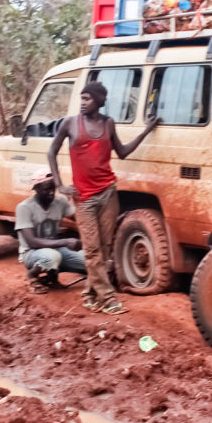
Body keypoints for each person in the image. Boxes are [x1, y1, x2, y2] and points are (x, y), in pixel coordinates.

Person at [48, 81, 159, 315]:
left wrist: (147, 130)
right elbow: (52, 151)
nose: (83, 103)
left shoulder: (108, 124)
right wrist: (60, 185)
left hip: (108, 192)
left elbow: (123, 152)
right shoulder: (70, 124)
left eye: (87, 98)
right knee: (92, 250)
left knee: (105, 248)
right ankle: (108, 299)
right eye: (82, 98)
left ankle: (90, 293)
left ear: (99, 100)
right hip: (84, 199)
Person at [15, 169, 86, 294]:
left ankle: (52, 276)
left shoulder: (59, 202)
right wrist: (66, 241)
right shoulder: (24, 208)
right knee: (52, 257)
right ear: (36, 189)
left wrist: (75, 199)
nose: (51, 193)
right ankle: (31, 277)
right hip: (32, 253)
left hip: (55, 249)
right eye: (46, 189)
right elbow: (32, 242)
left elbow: (79, 218)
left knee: (88, 261)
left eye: (53, 189)